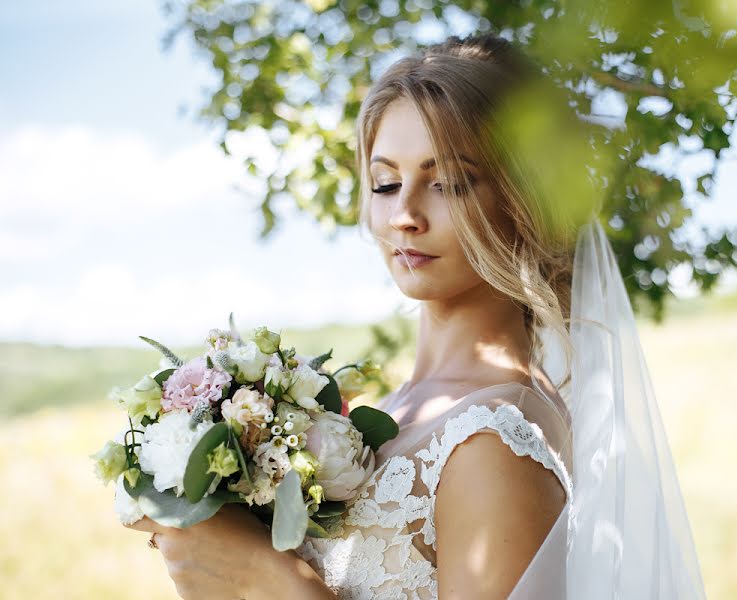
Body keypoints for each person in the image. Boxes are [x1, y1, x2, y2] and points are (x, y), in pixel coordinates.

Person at [127, 32, 706, 600]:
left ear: (523, 200)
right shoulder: (403, 407)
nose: (403, 213)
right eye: (385, 182)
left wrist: (270, 580)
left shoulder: (494, 439)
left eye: (447, 184)